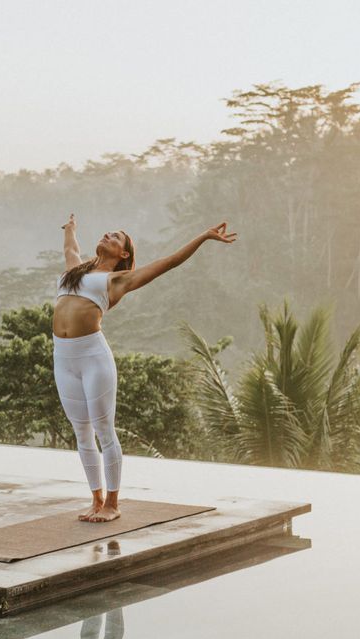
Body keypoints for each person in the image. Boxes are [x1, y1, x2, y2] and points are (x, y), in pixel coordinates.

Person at [53, 213, 237, 523]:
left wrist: (203, 237)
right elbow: (71, 250)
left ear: (123, 254)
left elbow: (168, 263)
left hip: (93, 359)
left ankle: (113, 503)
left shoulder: (118, 281)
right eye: (107, 232)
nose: (108, 235)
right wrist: (70, 229)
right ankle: (96, 499)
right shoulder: (73, 274)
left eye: (116, 237)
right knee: (81, 433)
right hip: (63, 359)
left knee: (104, 431)